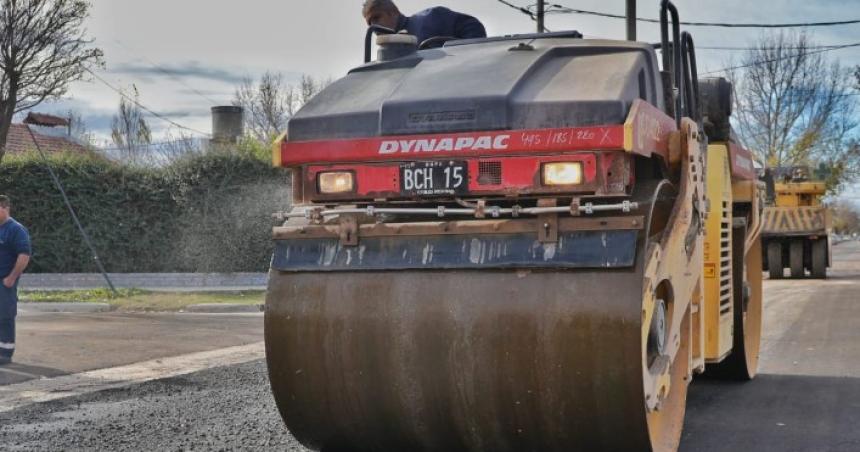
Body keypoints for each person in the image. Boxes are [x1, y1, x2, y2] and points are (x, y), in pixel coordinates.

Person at [362, 0, 487, 47]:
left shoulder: (431, 18)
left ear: (393, 13)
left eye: (376, 18)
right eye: (369, 23)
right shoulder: (388, 58)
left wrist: (462, 57)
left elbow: (472, 27)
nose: (373, 27)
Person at [0, 195, 31, 365]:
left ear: (5, 208)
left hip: (5, 282)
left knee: (5, 316)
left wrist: (11, 278)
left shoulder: (16, 229)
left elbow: (24, 255)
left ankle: (5, 353)